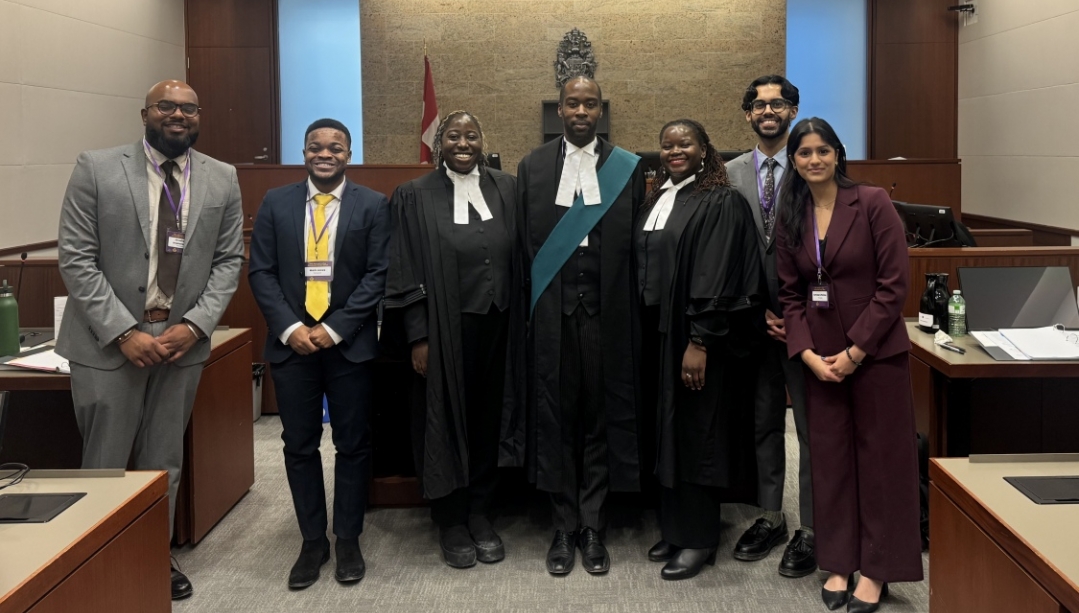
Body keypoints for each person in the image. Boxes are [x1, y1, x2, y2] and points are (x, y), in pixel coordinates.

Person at [56, 80, 244, 601]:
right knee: (105, 462)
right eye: (166, 106)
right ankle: (93, 565)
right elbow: (76, 258)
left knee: (164, 460)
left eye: (188, 108)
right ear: (145, 113)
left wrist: (196, 325)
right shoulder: (96, 167)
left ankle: (150, 557)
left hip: (181, 340)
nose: (177, 115)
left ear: (199, 116)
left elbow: (229, 261)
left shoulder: (222, 177)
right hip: (106, 342)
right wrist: (123, 331)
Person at [775, 118, 923, 612]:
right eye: (803, 153)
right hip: (820, 360)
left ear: (838, 155)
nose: (813, 160)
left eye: (822, 151)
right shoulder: (790, 211)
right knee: (831, 462)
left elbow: (893, 285)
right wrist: (808, 354)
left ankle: (877, 569)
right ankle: (839, 561)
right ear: (793, 161)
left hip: (875, 355)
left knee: (881, 463)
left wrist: (856, 350)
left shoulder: (873, 201)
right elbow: (790, 293)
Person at [248, 119, 390, 589]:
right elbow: (261, 272)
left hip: (348, 346)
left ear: (349, 154)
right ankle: (313, 541)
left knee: (353, 443)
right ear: (304, 152)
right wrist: (292, 328)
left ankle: (347, 537)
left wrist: (333, 329)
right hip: (293, 347)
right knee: (299, 444)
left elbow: (377, 275)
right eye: (315, 147)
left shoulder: (372, 205)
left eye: (335, 147)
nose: (324, 153)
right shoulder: (276, 202)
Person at [517, 76, 645, 576]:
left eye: (591, 104)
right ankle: (562, 524)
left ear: (600, 112)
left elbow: (637, 245)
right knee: (557, 420)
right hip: (552, 317)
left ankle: (593, 524)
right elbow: (521, 249)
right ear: (560, 110)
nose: (581, 111)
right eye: (573, 103)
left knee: (599, 418)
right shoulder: (532, 167)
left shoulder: (626, 168)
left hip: (606, 316)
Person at [383, 110, 523, 568]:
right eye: (453, 137)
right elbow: (402, 268)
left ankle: (481, 511)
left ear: (484, 141)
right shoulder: (412, 196)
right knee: (443, 418)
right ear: (438, 144)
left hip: (498, 323)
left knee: (488, 418)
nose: (463, 144)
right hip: (443, 329)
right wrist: (417, 335)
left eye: (471, 136)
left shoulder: (507, 188)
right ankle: (450, 518)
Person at [636, 119, 765, 580]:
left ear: (704, 149)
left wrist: (699, 340)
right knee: (668, 431)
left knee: (696, 434)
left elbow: (714, 276)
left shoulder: (720, 200)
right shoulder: (661, 198)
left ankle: (700, 539)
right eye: (667, 144)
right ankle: (675, 527)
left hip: (694, 338)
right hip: (659, 335)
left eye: (685, 143)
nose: (675, 150)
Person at [726, 75, 817, 577]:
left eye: (777, 103)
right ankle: (770, 516)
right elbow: (727, 250)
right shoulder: (728, 171)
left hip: (808, 322)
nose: (768, 110)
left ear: (792, 109)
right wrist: (755, 307)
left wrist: (795, 312)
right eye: (759, 104)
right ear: (747, 114)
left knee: (809, 427)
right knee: (762, 423)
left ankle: (813, 527)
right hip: (753, 323)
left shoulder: (812, 166)